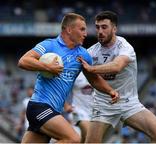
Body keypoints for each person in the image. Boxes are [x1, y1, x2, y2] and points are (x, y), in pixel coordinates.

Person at [17, 12, 119, 143]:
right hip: (40, 106)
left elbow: (94, 79)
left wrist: (110, 91)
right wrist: (48, 67)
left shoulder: (83, 54)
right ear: (69, 30)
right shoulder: (50, 45)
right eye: (82, 29)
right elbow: (23, 61)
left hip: (54, 110)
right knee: (73, 139)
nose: (85, 34)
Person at [79, 11, 156, 143]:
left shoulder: (125, 47)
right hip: (103, 105)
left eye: (104, 27)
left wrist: (92, 68)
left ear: (114, 29)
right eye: (97, 27)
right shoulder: (91, 52)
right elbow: (94, 80)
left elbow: (117, 66)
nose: (100, 31)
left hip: (128, 103)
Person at [70, 72, 94, 142]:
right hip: (78, 109)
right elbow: (62, 88)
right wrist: (65, 105)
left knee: (86, 138)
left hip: (95, 111)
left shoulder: (97, 70)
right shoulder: (75, 72)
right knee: (88, 133)